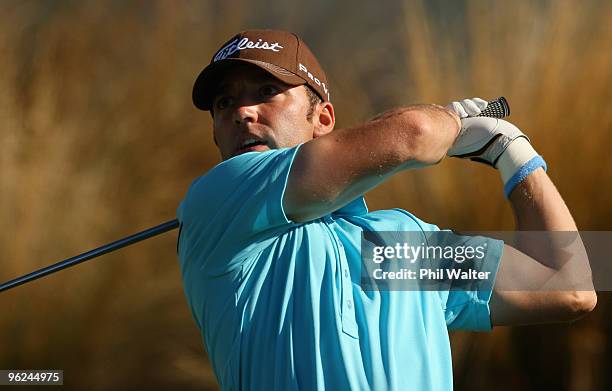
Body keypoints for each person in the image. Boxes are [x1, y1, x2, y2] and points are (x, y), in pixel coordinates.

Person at [176, 29, 597, 390]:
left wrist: (514, 156)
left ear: (322, 119)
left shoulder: (397, 249)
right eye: (224, 103)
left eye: (267, 92)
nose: (242, 112)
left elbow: (568, 286)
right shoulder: (216, 202)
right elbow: (413, 134)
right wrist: (445, 119)